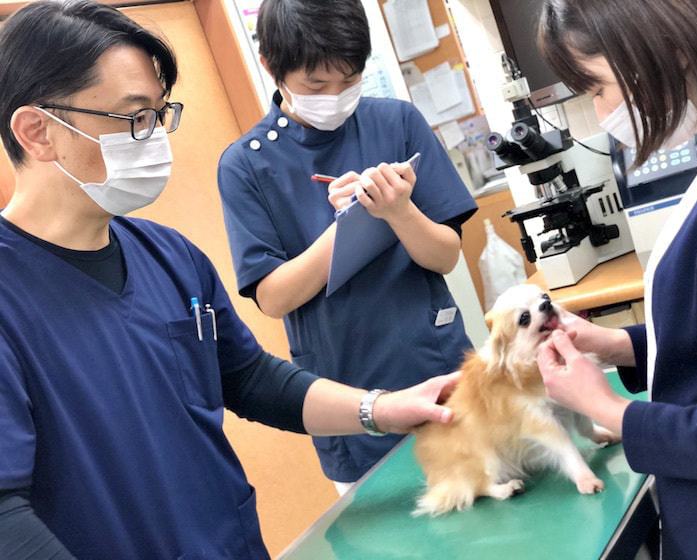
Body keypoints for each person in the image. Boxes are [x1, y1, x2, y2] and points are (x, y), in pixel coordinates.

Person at [0, 1, 463, 558]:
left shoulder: (169, 257)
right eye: (135, 118)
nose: (155, 137)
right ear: (37, 132)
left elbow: (248, 378)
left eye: (159, 115)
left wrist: (381, 409)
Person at [217, 0, 478, 492]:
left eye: (350, 79)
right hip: (348, 394)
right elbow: (273, 297)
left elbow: (445, 255)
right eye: (316, 85)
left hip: (437, 367)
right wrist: (348, 224)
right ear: (271, 67)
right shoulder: (246, 165)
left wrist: (398, 212)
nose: (335, 97)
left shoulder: (397, 122)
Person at [533, 1, 697, 558]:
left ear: (670, 48)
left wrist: (611, 412)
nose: (601, 112)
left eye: (597, 88)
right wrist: (618, 345)